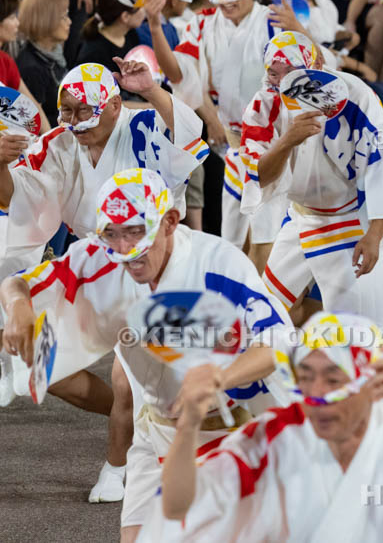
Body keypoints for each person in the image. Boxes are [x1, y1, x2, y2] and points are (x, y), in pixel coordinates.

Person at [0, 168, 292, 542]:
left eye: (137, 232)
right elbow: (19, 281)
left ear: (170, 221)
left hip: (236, 431)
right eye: (112, 234)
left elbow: (280, 341)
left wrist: (220, 377)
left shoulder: (218, 263)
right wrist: (18, 305)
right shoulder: (100, 255)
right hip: (155, 429)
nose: (124, 249)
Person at [0, 56, 207, 498]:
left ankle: (118, 467)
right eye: (66, 110)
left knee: (126, 375)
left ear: (114, 105)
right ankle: (144, 416)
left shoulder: (144, 125)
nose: (74, 121)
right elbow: (19, 195)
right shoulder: (58, 142)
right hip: (92, 258)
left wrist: (151, 89)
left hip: (155, 259)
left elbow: (191, 137)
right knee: (38, 372)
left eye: (83, 111)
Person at [137, 312, 383, 541]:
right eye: (305, 378)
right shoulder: (275, 437)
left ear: (372, 383)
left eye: (333, 380)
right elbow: (177, 506)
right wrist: (188, 426)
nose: (316, 395)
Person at [239, 35, 383, 331]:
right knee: (263, 314)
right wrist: (287, 141)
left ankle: (351, 354)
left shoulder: (356, 95)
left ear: (317, 65)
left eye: (293, 73)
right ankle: (306, 358)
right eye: (274, 73)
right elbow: (260, 176)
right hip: (300, 216)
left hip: (349, 217)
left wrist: (375, 235)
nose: (283, 83)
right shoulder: (262, 106)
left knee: (364, 333)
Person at [168, 0, 309, 270]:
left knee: (269, 234)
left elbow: (314, 72)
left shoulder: (274, 21)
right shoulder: (201, 22)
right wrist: (212, 120)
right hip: (221, 140)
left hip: (271, 140)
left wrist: (301, 30)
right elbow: (183, 75)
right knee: (228, 235)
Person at [16, 0, 72, 126]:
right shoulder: (32, 68)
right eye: (63, 17)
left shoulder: (54, 51)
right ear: (46, 21)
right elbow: (34, 123)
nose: (69, 22)